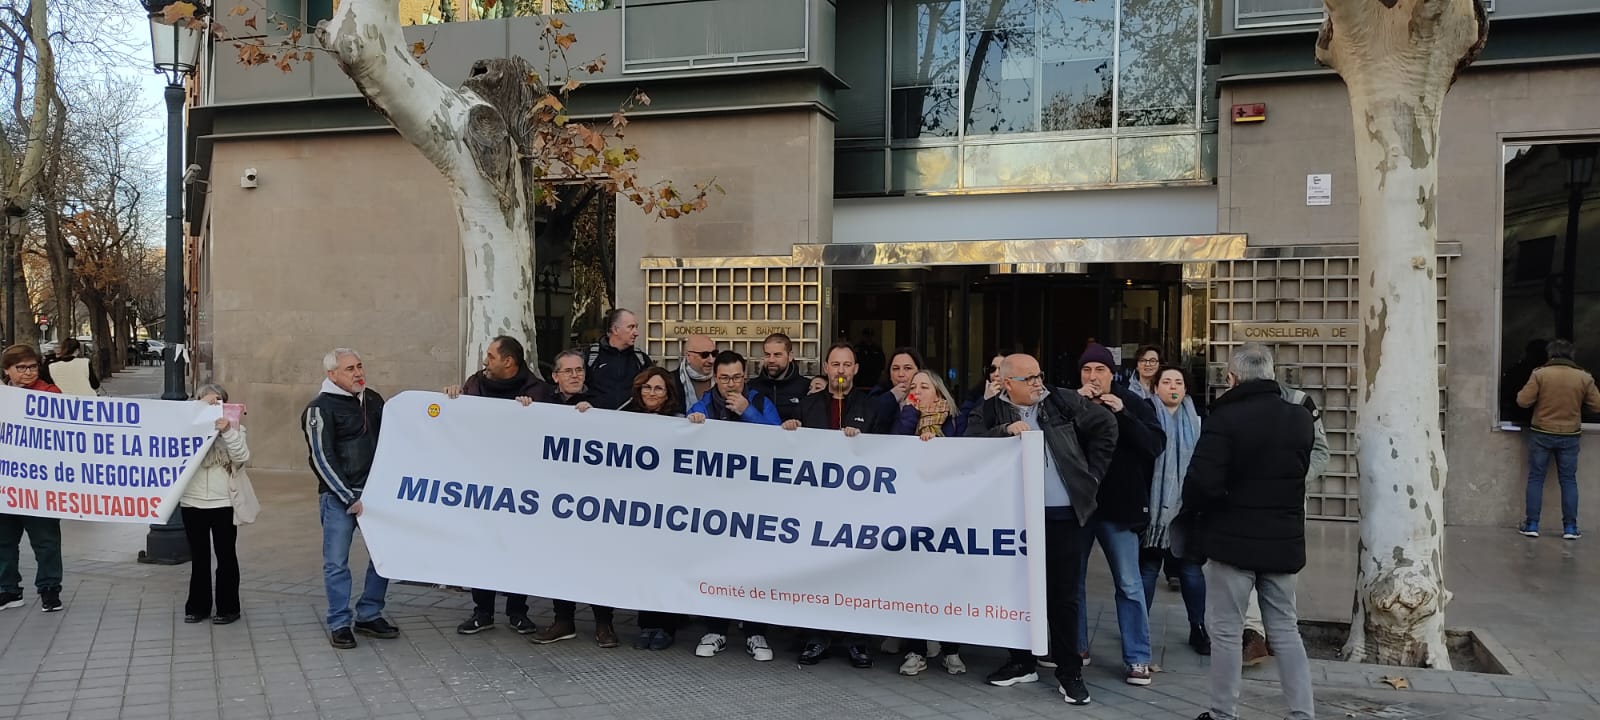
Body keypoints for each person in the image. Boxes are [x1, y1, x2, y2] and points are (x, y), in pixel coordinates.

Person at [968, 353, 1116, 706]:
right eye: (1029, 378)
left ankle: (1069, 672)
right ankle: (1021, 661)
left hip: (1063, 514)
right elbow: (969, 442)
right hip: (1014, 517)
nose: (1038, 383)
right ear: (1007, 384)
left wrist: (1091, 478)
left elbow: (1107, 427)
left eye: (1039, 375)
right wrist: (1005, 431)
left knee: (1063, 596)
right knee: (1016, 591)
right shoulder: (989, 411)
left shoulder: (1062, 401)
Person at [1183, 343, 1315, 720]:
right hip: (1282, 542)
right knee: (1286, 630)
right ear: (1272, 374)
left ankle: (1223, 714)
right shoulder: (1300, 419)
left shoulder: (1224, 420)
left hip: (1231, 540)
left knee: (1226, 631)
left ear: (1231, 378)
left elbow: (1201, 483)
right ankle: (1302, 714)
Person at [1073, 343, 1164, 687]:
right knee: (1073, 582)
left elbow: (1155, 445)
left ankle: (1138, 657)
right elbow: (1056, 441)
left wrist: (1123, 413)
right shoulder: (1071, 402)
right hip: (1080, 506)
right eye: (1087, 370)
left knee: (1129, 583)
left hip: (1120, 509)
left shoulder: (1134, 402)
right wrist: (1077, 406)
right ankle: (1076, 649)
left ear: (1113, 373)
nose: (1093, 377)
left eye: (1099, 370)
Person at [785, 342, 879, 668]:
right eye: (835, 364)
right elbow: (790, 450)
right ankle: (817, 637)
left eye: (847, 364)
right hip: (816, 507)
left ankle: (857, 641)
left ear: (855, 369)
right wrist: (790, 431)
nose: (841, 370)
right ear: (826, 367)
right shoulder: (807, 406)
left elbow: (888, 453)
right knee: (818, 572)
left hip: (857, 507)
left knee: (857, 574)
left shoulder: (871, 406)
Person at [445, 336, 544, 637]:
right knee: (482, 546)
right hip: (484, 483)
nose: (485, 360)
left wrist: (533, 411)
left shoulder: (536, 391)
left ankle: (517, 612)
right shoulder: (476, 383)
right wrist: (452, 397)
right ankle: (482, 611)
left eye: (490, 355)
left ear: (508, 362)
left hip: (522, 487)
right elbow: (461, 419)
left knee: (518, 549)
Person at [686, 351, 780, 661]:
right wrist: (696, 422)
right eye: (724, 378)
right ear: (715, 378)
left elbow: (780, 439)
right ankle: (716, 630)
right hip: (716, 501)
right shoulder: (704, 404)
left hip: (755, 500)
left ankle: (756, 632)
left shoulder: (759, 399)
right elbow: (689, 433)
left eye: (736, 378)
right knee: (717, 566)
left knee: (755, 567)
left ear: (745, 376)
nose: (730, 384)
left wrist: (748, 411)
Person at [302, 348, 399, 649]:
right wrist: (347, 496)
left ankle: (369, 614)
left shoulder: (373, 400)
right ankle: (339, 622)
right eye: (349, 369)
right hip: (339, 498)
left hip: (376, 496)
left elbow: (396, 437)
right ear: (332, 375)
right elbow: (320, 458)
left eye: (359, 366)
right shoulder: (319, 409)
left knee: (383, 559)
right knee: (336, 563)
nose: (358, 373)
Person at [1239, 378, 1331, 665]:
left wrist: (1290, 478)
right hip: (1245, 501)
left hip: (1287, 503)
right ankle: (1253, 634)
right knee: (1244, 564)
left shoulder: (1301, 402)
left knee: (1281, 569)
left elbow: (1320, 451)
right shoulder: (1235, 403)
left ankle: (1281, 634)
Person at [532, 349, 619, 648]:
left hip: (594, 500)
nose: (575, 375)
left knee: (596, 561)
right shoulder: (544, 404)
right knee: (560, 559)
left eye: (579, 370)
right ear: (555, 376)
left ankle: (604, 623)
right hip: (557, 499)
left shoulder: (602, 403)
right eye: (567, 371)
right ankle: (563, 620)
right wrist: (523, 410)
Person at [889, 370, 968, 676]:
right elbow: (894, 446)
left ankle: (951, 650)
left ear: (939, 392)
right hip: (912, 510)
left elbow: (967, 454)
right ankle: (916, 649)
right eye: (913, 388)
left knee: (947, 582)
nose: (918, 391)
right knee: (914, 582)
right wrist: (910, 417)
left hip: (949, 511)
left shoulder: (956, 420)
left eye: (924, 387)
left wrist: (940, 443)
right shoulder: (906, 418)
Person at [1139, 367, 1208, 655]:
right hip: (1152, 510)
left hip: (1187, 508)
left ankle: (1198, 627)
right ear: (1155, 388)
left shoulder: (1198, 418)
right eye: (1166, 382)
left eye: (1178, 382)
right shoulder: (1145, 412)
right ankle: (1138, 628)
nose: (1172, 387)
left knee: (1191, 570)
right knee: (1149, 569)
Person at [621, 367, 688, 650]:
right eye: (647, 388)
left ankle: (666, 626)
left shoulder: (680, 423)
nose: (651, 393)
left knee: (667, 566)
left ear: (668, 393)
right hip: (639, 507)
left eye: (658, 388)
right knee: (645, 567)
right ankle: (647, 625)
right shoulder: (625, 421)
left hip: (670, 507)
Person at [0, 345, 64, 612]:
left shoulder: (50, 394)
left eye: (32, 367)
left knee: (46, 540)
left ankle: (49, 588)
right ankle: (8, 590)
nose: (28, 373)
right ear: (7, 371)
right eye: (21, 368)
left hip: (39, 483)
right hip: (6, 483)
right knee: (4, 541)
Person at [182, 383, 252, 625]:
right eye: (207, 402)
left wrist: (228, 432)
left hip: (223, 502)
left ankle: (228, 607)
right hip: (192, 501)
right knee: (199, 557)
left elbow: (242, 457)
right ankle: (198, 606)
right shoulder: (188, 428)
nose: (213, 407)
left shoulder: (235, 428)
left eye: (217, 403)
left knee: (226, 556)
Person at [1516, 339, 1600, 540]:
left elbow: (1523, 401)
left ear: (1550, 355)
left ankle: (1532, 524)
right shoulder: (1583, 377)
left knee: (1536, 478)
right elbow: (1597, 406)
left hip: (1542, 432)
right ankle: (1570, 528)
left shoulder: (1540, 374)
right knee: (1568, 480)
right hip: (1570, 435)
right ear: (1572, 355)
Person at [584, 308, 652, 410]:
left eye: (636, 327)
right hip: (596, 421)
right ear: (615, 330)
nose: (636, 333)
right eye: (631, 327)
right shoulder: (590, 356)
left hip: (630, 421)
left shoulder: (641, 359)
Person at [748, 333, 811, 422]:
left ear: (790, 356)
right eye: (767, 355)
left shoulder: (806, 388)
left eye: (777, 355)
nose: (771, 360)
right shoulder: (751, 387)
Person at [870, 347, 923, 434]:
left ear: (919, 371)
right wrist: (891, 397)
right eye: (896, 369)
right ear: (889, 374)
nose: (901, 374)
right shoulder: (878, 393)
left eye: (907, 368)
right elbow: (869, 417)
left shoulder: (928, 395)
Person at [676, 334, 717, 407]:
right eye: (704, 355)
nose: (711, 360)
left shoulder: (723, 380)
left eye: (714, 354)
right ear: (689, 356)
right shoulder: (671, 382)